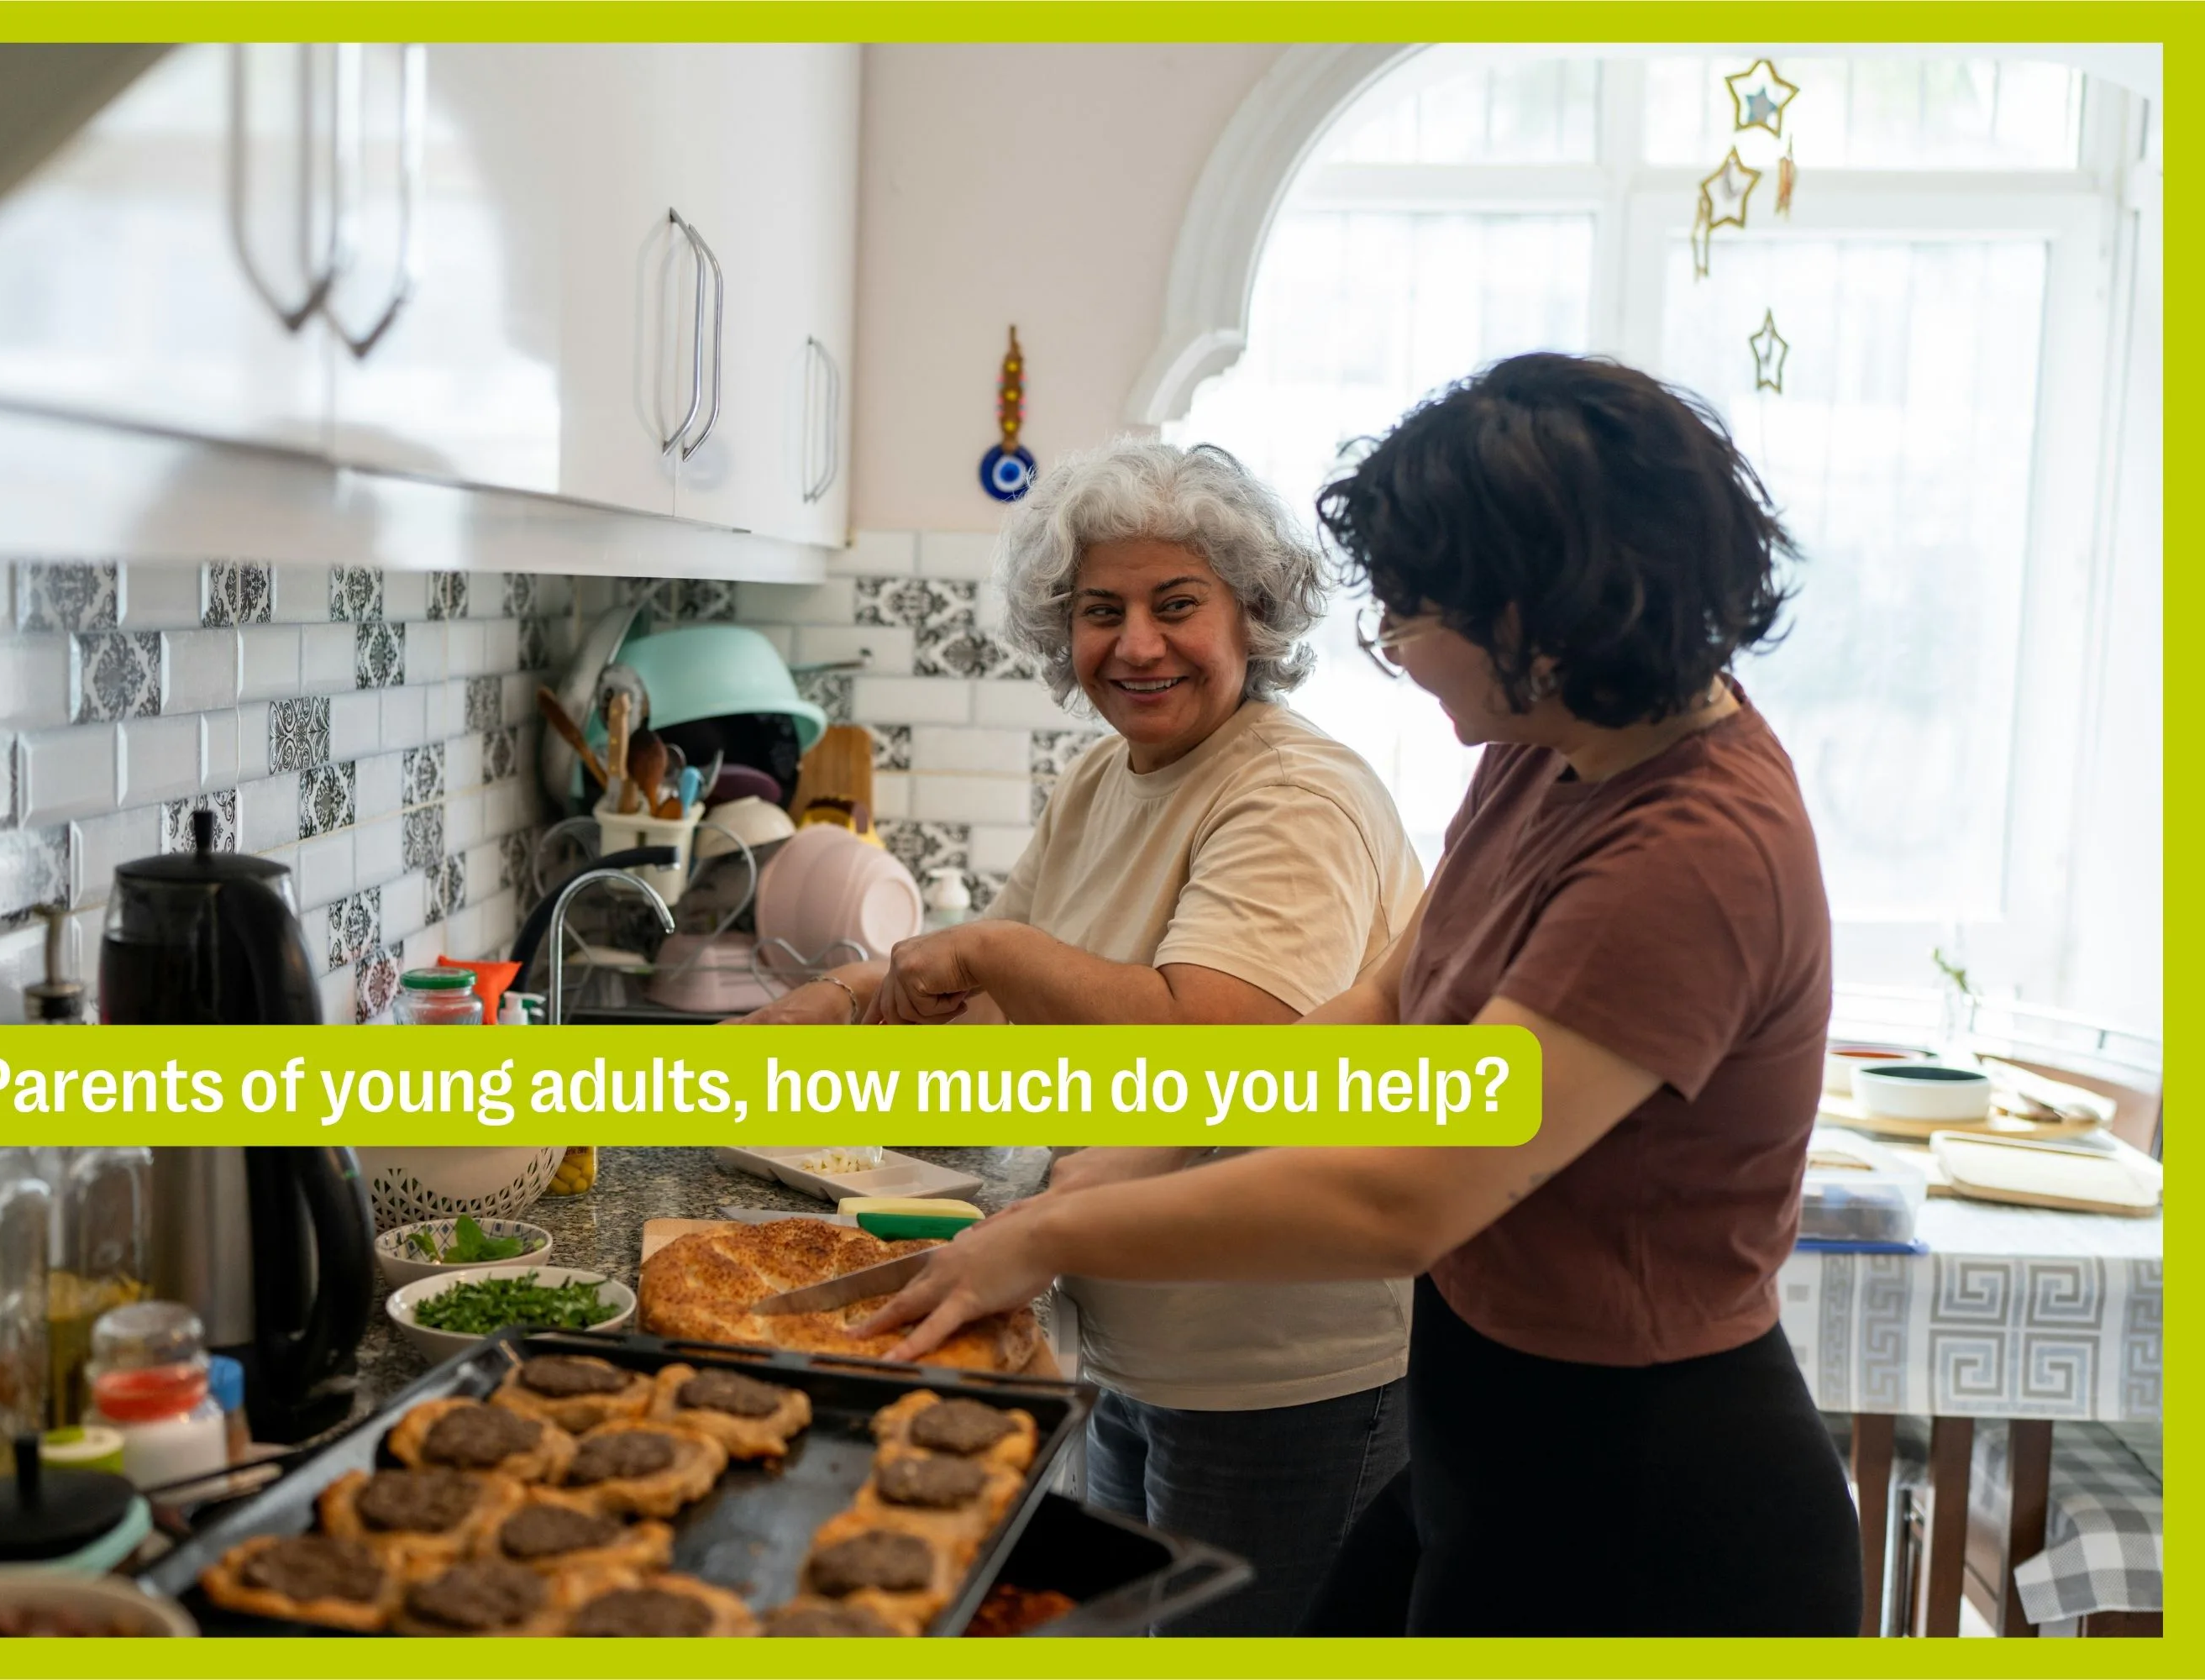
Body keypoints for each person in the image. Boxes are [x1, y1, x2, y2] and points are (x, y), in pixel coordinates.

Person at [858, 354, 1865, 1636]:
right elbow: (1391, 1002)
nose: (1394, 647)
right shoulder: (1553, 747)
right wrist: (1156, 1140)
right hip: (1488, 1404)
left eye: (1412, 612)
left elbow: (1413, 1190)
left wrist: (1049, 1236)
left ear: (1540, 613)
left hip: (1650, 1484)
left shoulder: (1689, 857)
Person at [741, 438, 1424, 1635]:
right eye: (1101, 610)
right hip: (1140, 1336)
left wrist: (994, 955)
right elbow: (999, 996)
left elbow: (1214, 1053)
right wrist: (839, 1004)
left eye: (1177, 605)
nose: (1137, 645)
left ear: (1253, 617)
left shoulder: (1294, 796)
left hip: (1279, 1364)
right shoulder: (1112, 776)